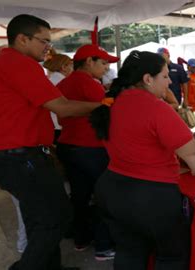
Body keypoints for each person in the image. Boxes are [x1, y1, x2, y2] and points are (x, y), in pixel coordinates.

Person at [89, 51, 195, 270]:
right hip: (149, 197)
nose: (169, 82)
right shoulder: (156, 108)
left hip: (112, 189)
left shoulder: (115, 103)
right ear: (148, 79)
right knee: (170, 257)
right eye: (165, 76)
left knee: (129, 252)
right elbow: (192, 152)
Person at [0, 14, 102, 270]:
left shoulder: (7, 62)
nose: (49, 47)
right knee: (56, 218)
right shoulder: (18, 63)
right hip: (20, 156)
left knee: (39, 218)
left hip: (16, 155)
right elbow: (61, 107)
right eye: (44, 41)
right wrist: (105, 107)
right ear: (22, 39)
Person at [56, 44, 118, 260]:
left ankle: (81, 239)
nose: (106, 67)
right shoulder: (90, 84)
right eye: (103, 63)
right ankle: (103, 246)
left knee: (79, 195)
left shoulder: (64, 82)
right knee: (103, 195)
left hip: (67, 145)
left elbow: (62, 116)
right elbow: (105, 116)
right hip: (90, 148)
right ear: (89, 62)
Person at [43, 48, 74, 141]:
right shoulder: (62, 82)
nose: (73, 69)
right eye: (71, 66)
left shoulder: (51, 80)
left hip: (53, 124)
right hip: (59, 126)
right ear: (64, 67)